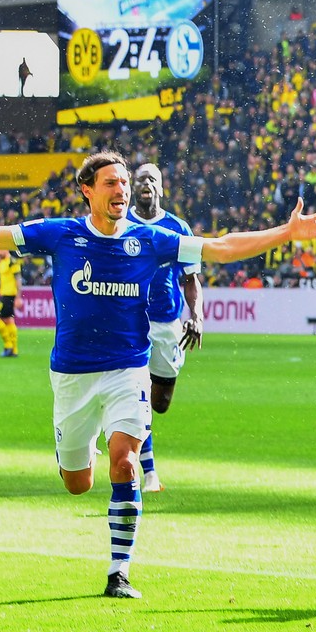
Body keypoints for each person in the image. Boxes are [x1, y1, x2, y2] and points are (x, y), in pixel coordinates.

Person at [0, 151, 316, 599]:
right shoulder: (60, 234)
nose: (122, 191)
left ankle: (119, 571)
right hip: (71, 376)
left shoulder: (150, 240)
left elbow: (219, 247)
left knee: (125, 464)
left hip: (128, 371)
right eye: (111, 183)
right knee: (77, 483)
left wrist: (284, 233)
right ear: (86, 190)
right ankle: (77, 451)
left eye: (126, 183)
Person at [127, 162, 204, 494]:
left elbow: (191, 279)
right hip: (128, 323)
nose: (146, 183)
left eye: (153, 179)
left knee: (159, 403)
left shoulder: (177, 228)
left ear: (161, 187)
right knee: (136, 397)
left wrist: (196, 315)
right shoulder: (121, 224)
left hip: (167, 324)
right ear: (132, 186)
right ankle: (149, 473)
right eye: (141, 178)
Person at [0, 249, 21, 358]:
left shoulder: (12, 261)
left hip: (9, 295)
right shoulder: (0, 263)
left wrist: (18, 297)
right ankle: (14, 350)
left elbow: (18, 280)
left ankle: (8, 346)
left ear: (5, 249)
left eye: (0, 249)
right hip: (4, 295)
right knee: (8, 320)